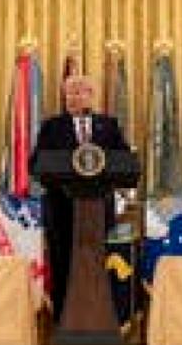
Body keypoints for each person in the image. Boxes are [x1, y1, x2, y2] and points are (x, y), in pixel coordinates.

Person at [29, 74, 132, 317]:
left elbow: (125, 162)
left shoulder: (108, 126)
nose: (72, 98)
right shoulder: (52, 126)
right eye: (69, 93)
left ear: (90, 95)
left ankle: (96, 317)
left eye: (78, 92)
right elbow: (35, 165)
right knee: (63, 264)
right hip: (61, 211)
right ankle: (63, 319)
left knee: (96, 266)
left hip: (98, 212)